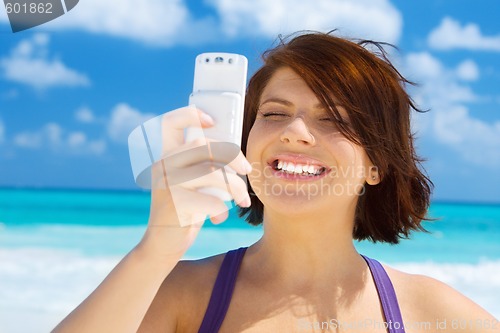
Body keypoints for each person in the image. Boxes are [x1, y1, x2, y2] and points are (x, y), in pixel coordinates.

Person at [53, 32, 499, 333]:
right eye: (273, 114)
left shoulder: (429, 313)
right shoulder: (183, 295)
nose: (295, 132)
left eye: (333, 120)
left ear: (375, 166)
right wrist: (156, 250)